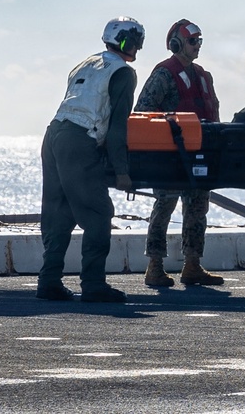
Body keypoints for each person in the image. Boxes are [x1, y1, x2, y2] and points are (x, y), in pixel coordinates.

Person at [36, 17, 145, 304]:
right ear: (126, 41)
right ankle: (94, 284)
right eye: (136, 42)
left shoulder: (85, 63)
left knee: (58, 212)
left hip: (54, 134)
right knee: (98, 212)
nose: (137, 48)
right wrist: (121, 171)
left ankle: (48, 280)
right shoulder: (123, 72)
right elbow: (118, 125)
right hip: (79, 140)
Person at [137, 19, 224, 288]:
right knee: (164, 205)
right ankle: (154, 266)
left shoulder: (203, 76)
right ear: (176, 44)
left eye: (199, 41)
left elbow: (213, 114)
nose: (197, 46)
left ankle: (192, 265)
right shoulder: (163, 75)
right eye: (192, 41)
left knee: (198, 208)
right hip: (169, 157)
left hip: (199, 154)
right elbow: (143, 111)